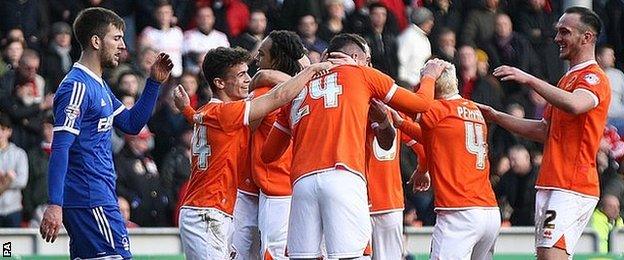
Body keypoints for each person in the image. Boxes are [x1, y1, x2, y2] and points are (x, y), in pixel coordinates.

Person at [261, 33, 446, 259]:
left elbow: (268, 154)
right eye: (366, 60)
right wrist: (429, 75)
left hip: (302, 183)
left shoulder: (298, 87)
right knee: (353, 256)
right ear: (357, 57)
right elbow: (422, 105)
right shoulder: (364, 75)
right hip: (344, 175)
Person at [172, 47, 335, 259]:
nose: (248, 79)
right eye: (240, 75)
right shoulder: (227, 113)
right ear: (219, 83)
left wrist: (186, 109)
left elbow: (197, 119)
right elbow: (280, 95)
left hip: (209, 210)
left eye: (248, 72)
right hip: (207, 213)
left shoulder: (203, 112)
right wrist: (312, 70)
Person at [38, 7, 173, 259]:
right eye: (116, 38)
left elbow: (131, 124)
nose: (122, 45)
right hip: (90, 197)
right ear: (96, 41)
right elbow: (60, 147)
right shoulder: (76, 86)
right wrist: (55, 203)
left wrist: (153, 83)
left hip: (98, 194)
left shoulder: (98, 85)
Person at [477, 7, 610, 259]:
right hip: (553, 181)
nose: (557, 38)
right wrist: (496, 116)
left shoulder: (594, 78)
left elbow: (576, 104)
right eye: (557, 31)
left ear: (587, 38)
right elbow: (543, 130)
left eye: (564, 32)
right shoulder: (566, 81)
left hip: (571, 185)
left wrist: (528, 78)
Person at [394, 61, 500, 259]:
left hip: (459, 212)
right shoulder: (472, 109)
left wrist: (429, 76)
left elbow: (416, 103)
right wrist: (401, 125)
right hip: (489, 211)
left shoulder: (438, 109)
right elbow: (434, 139)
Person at [248, 30, 307, 259]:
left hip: (275, 187)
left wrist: (263, 78)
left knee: (274, 253)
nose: (257, 61)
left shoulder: (263, 92)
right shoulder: (310, 91)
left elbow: (246, 125)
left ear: (276, 60)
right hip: (303, 184)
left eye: (262, 55)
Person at [0, 113, 28, 227]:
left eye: (2, 129)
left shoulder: (19, 153)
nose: (0, 133)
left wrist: (6, 180)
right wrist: (7, 179)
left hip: (13, 210)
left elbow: (22, 181)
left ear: (9, 131)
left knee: (9, 244)